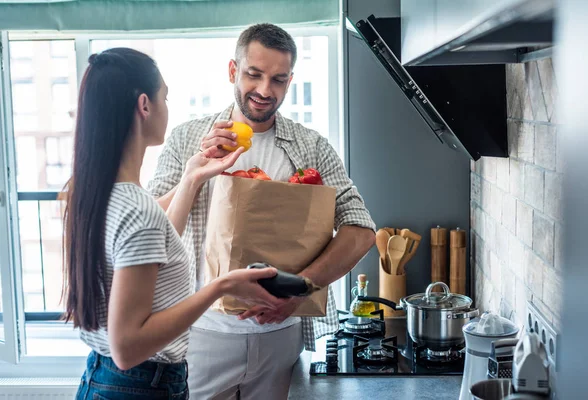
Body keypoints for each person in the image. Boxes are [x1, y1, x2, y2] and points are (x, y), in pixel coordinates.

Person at [148, 23, 376, 399]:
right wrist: (197, 170)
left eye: (279, 80)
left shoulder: (312, 148)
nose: (265, 91)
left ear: (290, 80)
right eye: (254, 75)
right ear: (233, 71)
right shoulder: (188, 139)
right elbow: (154, 226)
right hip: (202, 335)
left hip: (280, 338)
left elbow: (361, 229)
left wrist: (302, 289)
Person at [62, 47, 283, 400]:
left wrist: (192, 178)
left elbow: (156, 244)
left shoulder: (98, 194)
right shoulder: (138, 210)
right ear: (144, 105)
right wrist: (221, 286)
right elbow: (128, 348)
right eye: (165, 97)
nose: (168, 107)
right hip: (139, 386)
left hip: (109, 379)